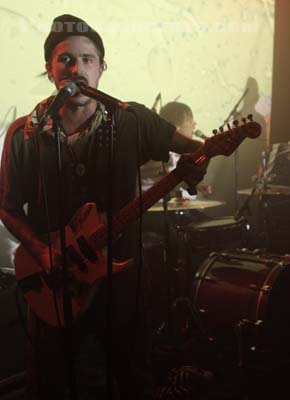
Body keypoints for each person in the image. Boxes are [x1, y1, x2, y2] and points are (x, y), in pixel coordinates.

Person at [0, 14, 208, 398]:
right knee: (49, 383)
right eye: (64, 59)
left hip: (120, 282)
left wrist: (201, 161)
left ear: (101, 69)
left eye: (86, 59)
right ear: (49, 69)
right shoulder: (24, 133)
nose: (75, 67)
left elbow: (195, 149)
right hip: (57, 282)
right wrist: (42, 252)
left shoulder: (131, 119)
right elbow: (8, 207)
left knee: (133, 376)